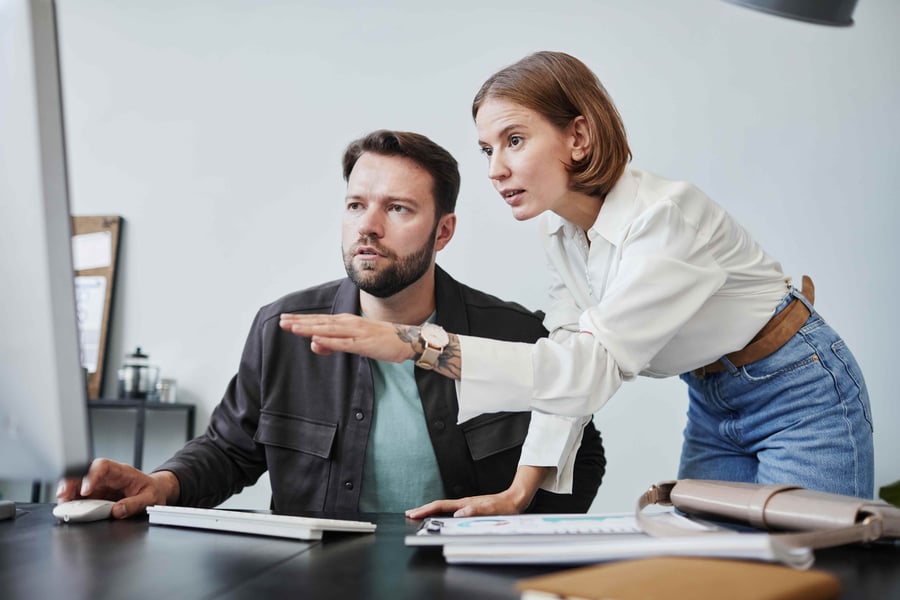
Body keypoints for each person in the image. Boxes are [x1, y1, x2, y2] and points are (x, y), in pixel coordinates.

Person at [280, 52, 875, 503]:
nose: (496, 168)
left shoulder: (666, 219)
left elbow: (590, 371)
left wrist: (416, 346)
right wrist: (522, 489)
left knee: (811, 571)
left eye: (514, 140)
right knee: (715, 571)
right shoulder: (561, 232)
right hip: (713, 397)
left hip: (797, 387)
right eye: (487, 148)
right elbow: (568, 357)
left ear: (579, 136)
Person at [57, 129, 606, 518]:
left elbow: (580, 454)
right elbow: (229, 450)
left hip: (464, 578)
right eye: (354, 205)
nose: (367, 226)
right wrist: (161, 484)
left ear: (443, 232)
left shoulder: (510, 333)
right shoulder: (282, 329)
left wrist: (514, 535)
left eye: (398, 209)